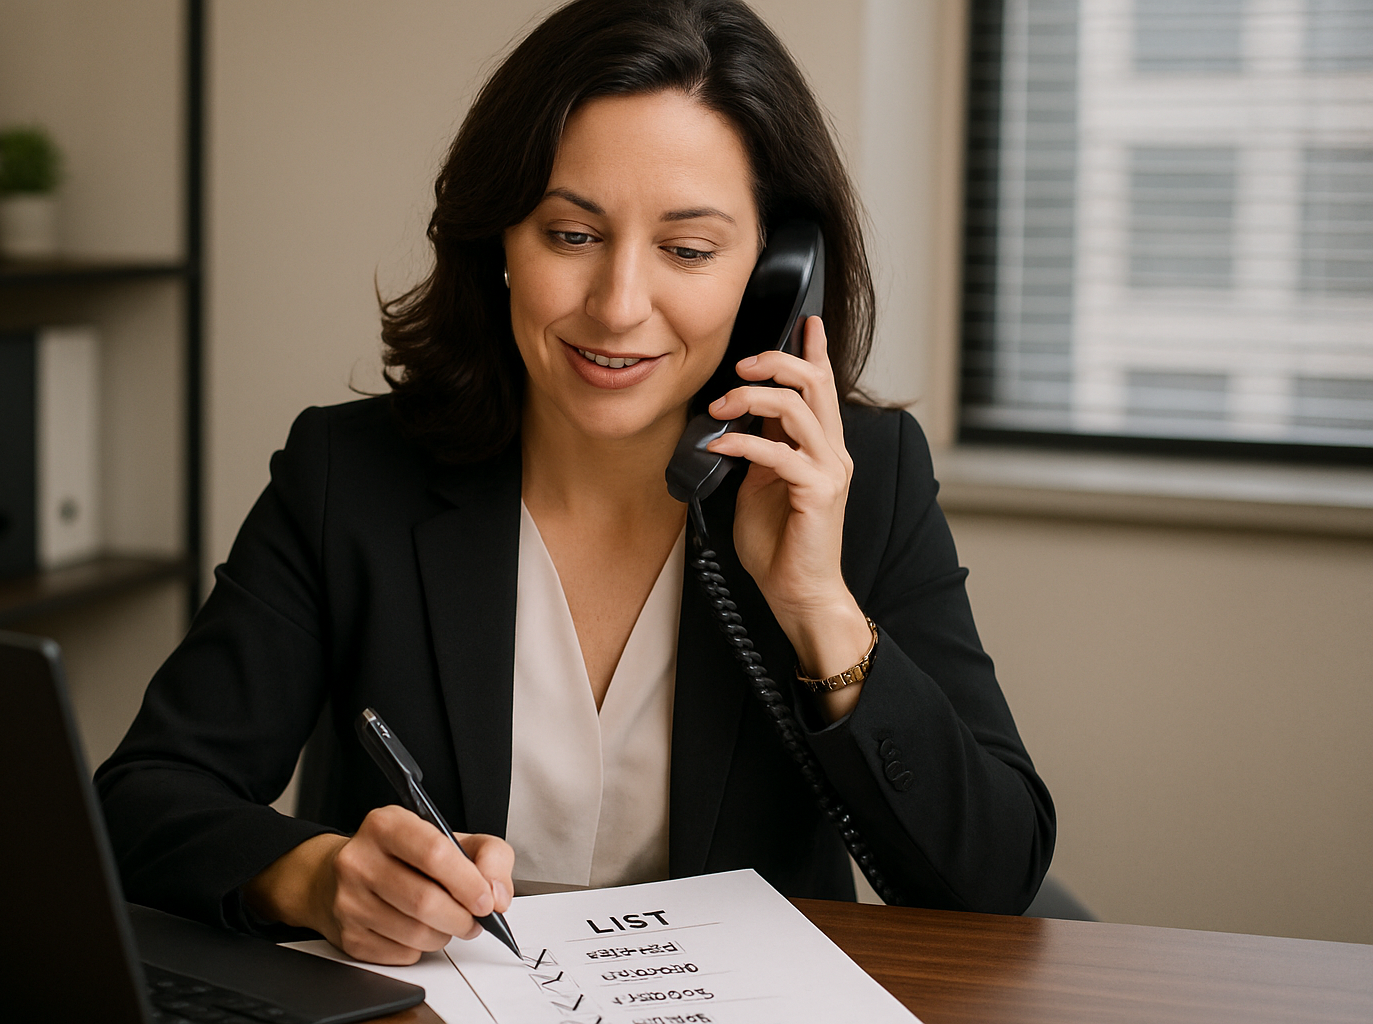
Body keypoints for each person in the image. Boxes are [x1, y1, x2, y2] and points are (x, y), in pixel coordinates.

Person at [95, 0, 1055, 967]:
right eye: (571, 234)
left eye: (687, 249)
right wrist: (311, 875)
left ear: (775, 275)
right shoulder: (353, 476)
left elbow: (990, 884)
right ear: (500, 243)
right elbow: (144, 796)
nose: (619, 306)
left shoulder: (861, 479)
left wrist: (818, 606)